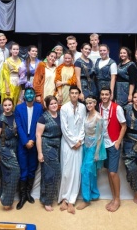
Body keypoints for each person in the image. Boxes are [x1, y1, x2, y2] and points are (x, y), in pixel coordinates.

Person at [58, 86, 86, 214]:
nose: (74, 95)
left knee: (76, 172)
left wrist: (79, 140)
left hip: (79, 143)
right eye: (72, 93)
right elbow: (64, 127)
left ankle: (71, 201)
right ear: (69, 95)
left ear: (79, 95)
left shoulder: (83, 107)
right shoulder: (64, 108)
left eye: (76, 93)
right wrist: (73, 142)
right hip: (67, 143)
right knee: (66, 171)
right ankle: (64, 198)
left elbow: (83, 125)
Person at [14, 87, 43, 210]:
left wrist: (32, 140)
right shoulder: (18, 108)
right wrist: (26, 141)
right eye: (27, 93)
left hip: (34, 143)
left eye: (32, 93)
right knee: (23, 169)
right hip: (22, 143)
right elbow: (19, 125)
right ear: (24, 95)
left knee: (32, 168)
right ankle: (22, 197)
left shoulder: (39, 107)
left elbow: (39, 125)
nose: (30, 95)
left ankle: (28, 194)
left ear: (34, 95)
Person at [99, 87, 127, 212]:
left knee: (113, 173)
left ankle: (117, 199)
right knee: (108, 172)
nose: (104, 96)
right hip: (103, 144)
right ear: (100, 96)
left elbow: (124, 126)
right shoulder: (99, 107)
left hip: (113, 143)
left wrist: (118, 142)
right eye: (102, 94)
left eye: (107, 94)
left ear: (110, 96)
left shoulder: (117, 108)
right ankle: (113, 197)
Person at [76, 95, 105, 210]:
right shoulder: (87, 115)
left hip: (93, 147)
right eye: (87, 103)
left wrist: (97, 152)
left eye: (91, 103)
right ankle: (94, 194)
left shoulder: (98, 117)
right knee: (91, 172)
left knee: (86, 171)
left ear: (95, 104)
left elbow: (100, 136)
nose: (88, 105)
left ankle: (86, 199)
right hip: (85, 145)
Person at [37, 95, 62, 211]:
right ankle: (47, 201)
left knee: (48, 173)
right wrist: (40, 153)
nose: (54, 105)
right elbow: (38, 135)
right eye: (51, 104)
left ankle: (44, 198)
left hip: (58, 146)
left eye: (55, 103)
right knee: (52, 173)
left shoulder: (60, 115)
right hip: (47, 146)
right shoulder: (43, 118)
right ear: (47, 106)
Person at [0, 97, 20, 210]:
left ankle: (5, 200)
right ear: (2, 106)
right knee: (15, 171)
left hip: (14, 147)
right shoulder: (0, 120)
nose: (7, 107)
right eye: (5, 105)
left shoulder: (15, 116)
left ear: (12, 106)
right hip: (4, 148)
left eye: (9, 105)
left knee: (7, 174)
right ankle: (6, 200)